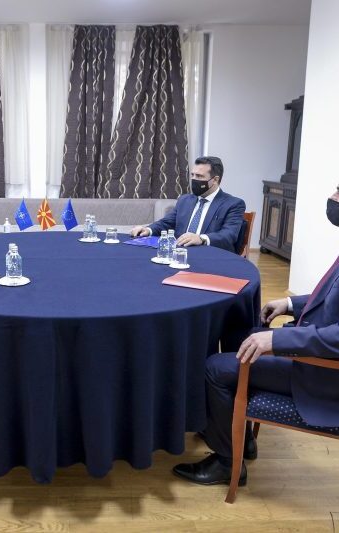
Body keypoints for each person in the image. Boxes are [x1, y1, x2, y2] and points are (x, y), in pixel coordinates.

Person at [172, 187, 339, 486]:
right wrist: (290, 303)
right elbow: (330, 299)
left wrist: (276, 341)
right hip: (310, 348)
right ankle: (242, 438)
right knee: (240, 333)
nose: (332, 196)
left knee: (215, 368)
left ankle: (226, 462)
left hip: (318, 372)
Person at [130, 156, 245, 253]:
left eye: (199, 176)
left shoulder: (233, 204)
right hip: (180, 253)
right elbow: (167, 222)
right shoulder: (185, 200)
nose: (194, 179)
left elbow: (229, 235)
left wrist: (201, 239)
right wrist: (148, 229)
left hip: (211, 256)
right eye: (192, 175)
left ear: (215, 180)